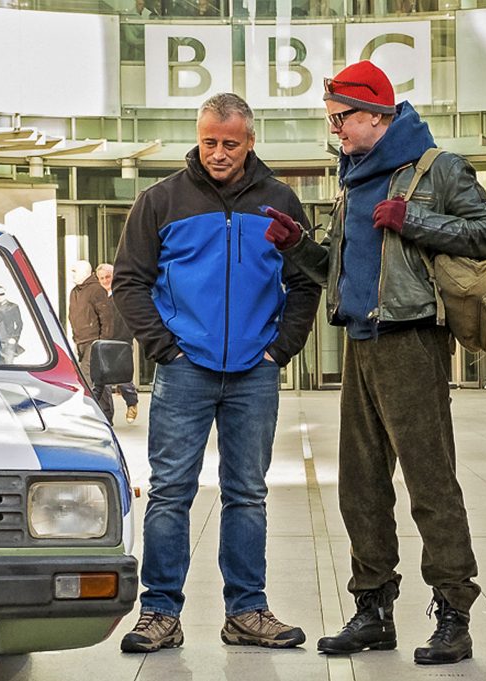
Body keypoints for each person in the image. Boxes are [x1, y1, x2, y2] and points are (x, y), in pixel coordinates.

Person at [266, 60, 486, 665]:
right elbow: (343, 277)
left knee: (431, 484)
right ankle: (373, 609)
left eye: (341, 119)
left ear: (376, 114)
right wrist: (299, 247)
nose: (336, 131)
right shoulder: (353, 179)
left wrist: (416, 219)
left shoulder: (437, 168)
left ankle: (454, 613)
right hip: (361, 345)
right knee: (361, 488)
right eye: (333, 121)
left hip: (412, 343)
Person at [113, 92, 321, 653]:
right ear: (199, 136)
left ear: (250, 141)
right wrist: (164, 347)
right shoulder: (161, 201)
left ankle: (247, 611)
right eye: (210, 142)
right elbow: (129, 281)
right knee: (170, 492)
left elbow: (306, 281)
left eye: (230, 143)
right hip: (185, 370)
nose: (219, 153)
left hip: (255, 371)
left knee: (247, 494)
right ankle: (159, 612)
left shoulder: (279, 202)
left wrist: (282, 349)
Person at [68, 260, 116, 420]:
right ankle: (105, 413)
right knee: (98, 378)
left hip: (94, 341)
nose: (72, 274)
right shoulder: (75, 291)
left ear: (85, 272)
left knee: (89, 377)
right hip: (80, 341)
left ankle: (94, 413)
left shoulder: (96, 289)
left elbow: (106, 317)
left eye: (75, 271)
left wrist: (103, 342)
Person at [97, 263, 140, 424]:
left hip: (121, 340)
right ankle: (107, 416)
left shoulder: (123, 294)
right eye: (101, 278)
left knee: (123, 377)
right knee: (103, 380)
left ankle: (132, 402)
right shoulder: (98, 296)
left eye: (108, 277)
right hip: (103, 341)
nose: (105, 281)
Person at [0, 286, 23, 363]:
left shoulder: (13, 306)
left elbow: (19, 324)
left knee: (8, 361)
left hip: (9, 337)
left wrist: (15, 337)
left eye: (1, 294)